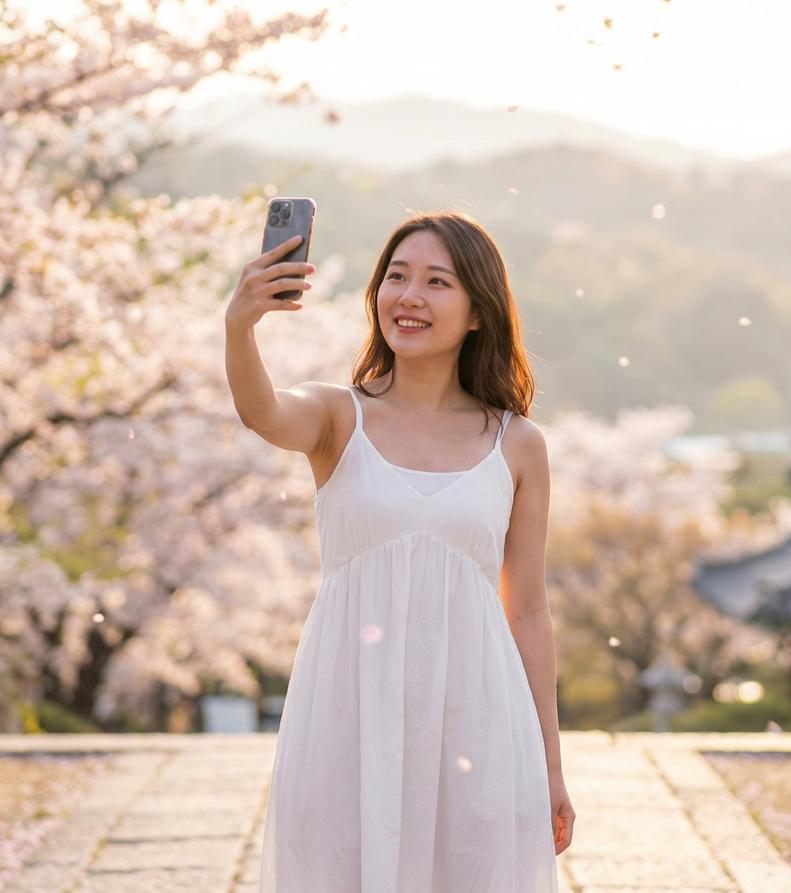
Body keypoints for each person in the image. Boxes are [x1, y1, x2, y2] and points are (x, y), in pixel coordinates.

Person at [225, 209, 574, 891]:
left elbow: (528, 611)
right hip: (348, 713)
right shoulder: (336, 415)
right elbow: (261, 409)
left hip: (476, 717)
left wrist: (550, 766)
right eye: (396, 277)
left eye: (437, 282)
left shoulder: (518, 443)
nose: (409, 297)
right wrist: (240, 325)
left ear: (478, 312)